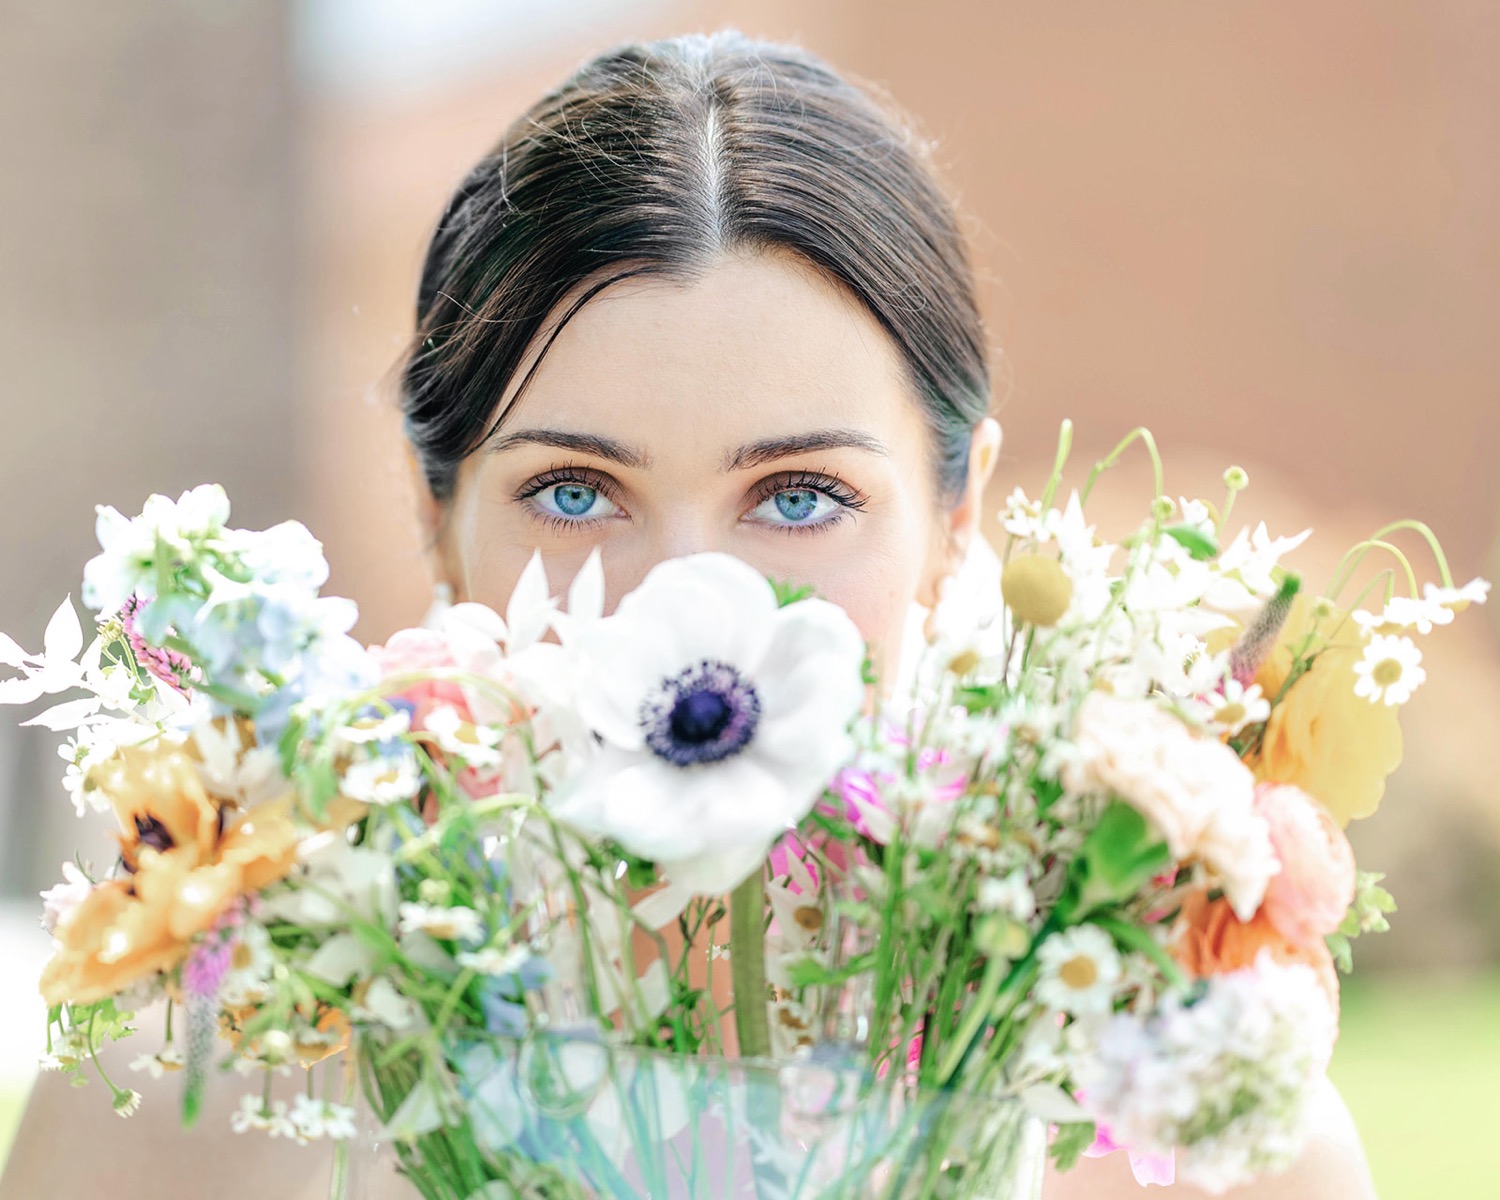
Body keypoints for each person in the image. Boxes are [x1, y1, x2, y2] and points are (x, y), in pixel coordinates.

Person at [0, 30, 1377, 1199]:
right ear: (435, 519)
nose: (688, 602)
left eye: (796, 497)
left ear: (957, 524)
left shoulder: (1180, 1120)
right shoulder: (196, 1095)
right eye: (577, 492)